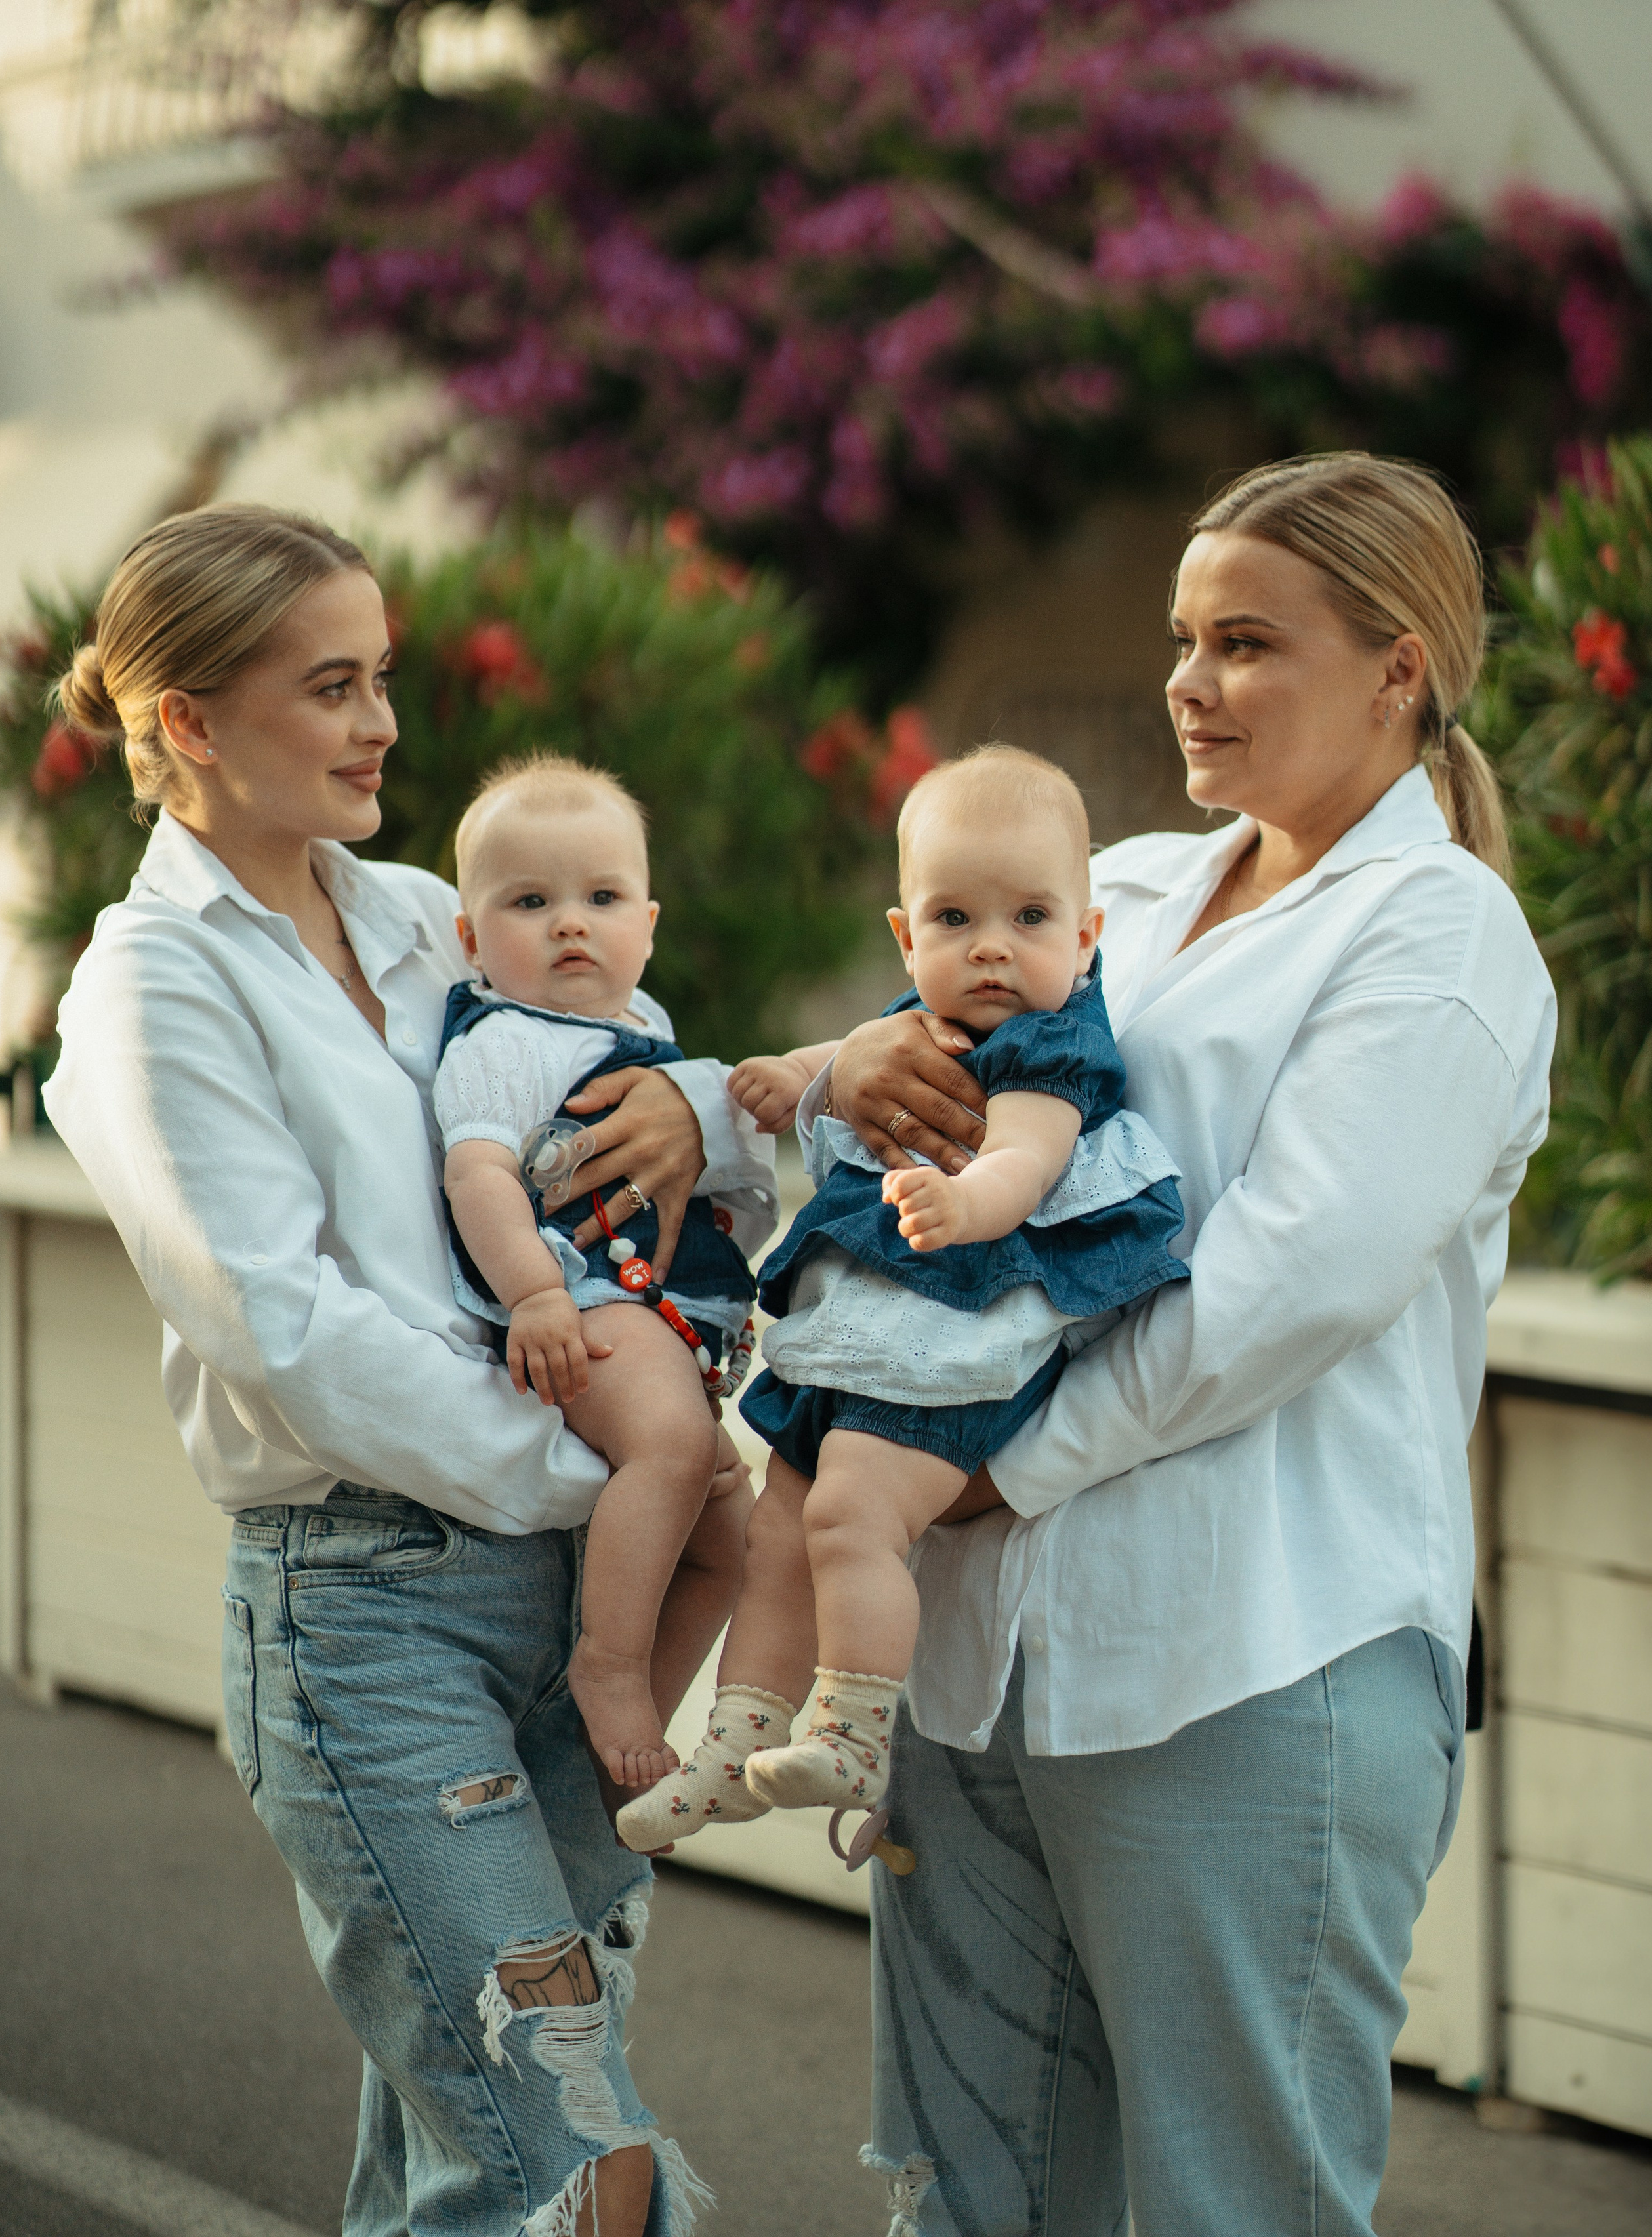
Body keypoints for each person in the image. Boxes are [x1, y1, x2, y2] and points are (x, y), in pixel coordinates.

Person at [751, 455, 1556, 2236]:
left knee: (1230, 2211)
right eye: (1184, 638)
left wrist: (977, 1471)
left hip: (1256, 1661)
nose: (1188, 681)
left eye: (1246, 643)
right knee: (971, 2203)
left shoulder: (1443, 940)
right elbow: (921, 1145)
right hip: (981, 1673)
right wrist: (833, 1081)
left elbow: (1279, 1295)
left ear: (1399, 669)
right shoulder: (1118, 885)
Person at [43, 503, 775, 2237]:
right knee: (573, 2154)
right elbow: (280, 1325)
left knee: (465, 2172)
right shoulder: (150, 990)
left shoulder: (439, 918)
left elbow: (613, 1077)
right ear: (192, 720)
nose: (384, 723)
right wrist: (609, 1478)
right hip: (370, 1620)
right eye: (333, 686)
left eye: (383, 679)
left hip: (561, 1599)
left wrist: (691, 1105)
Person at [615, 746, 1188, 1854]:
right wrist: (802, 1073)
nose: (991, 947)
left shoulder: (1053, 1042)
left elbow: (1026, 1156)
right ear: (906, 935)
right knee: (779, 1531)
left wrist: (967, 1202)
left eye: (1030, 917)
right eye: (955, 917)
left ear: (1085, 935)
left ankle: (854, 1728)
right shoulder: (926, 1016)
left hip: (959, 1325)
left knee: (847, 1515)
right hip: (862, 1328)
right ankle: (734, 1745)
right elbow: (854, 1051)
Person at [435, 750, 758, 1790]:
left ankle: (615, 1740)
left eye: (602, 897)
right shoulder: (506, 1040)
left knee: (734, 1533)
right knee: (668, 1446)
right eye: (533, 901)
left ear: (649, 926)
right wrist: (533, 1294)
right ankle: (609, 1663)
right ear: (473, 940)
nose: (572, 922)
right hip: (582, 1303)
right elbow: (479, 1172)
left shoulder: (641, 1027)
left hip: (656, 1310)